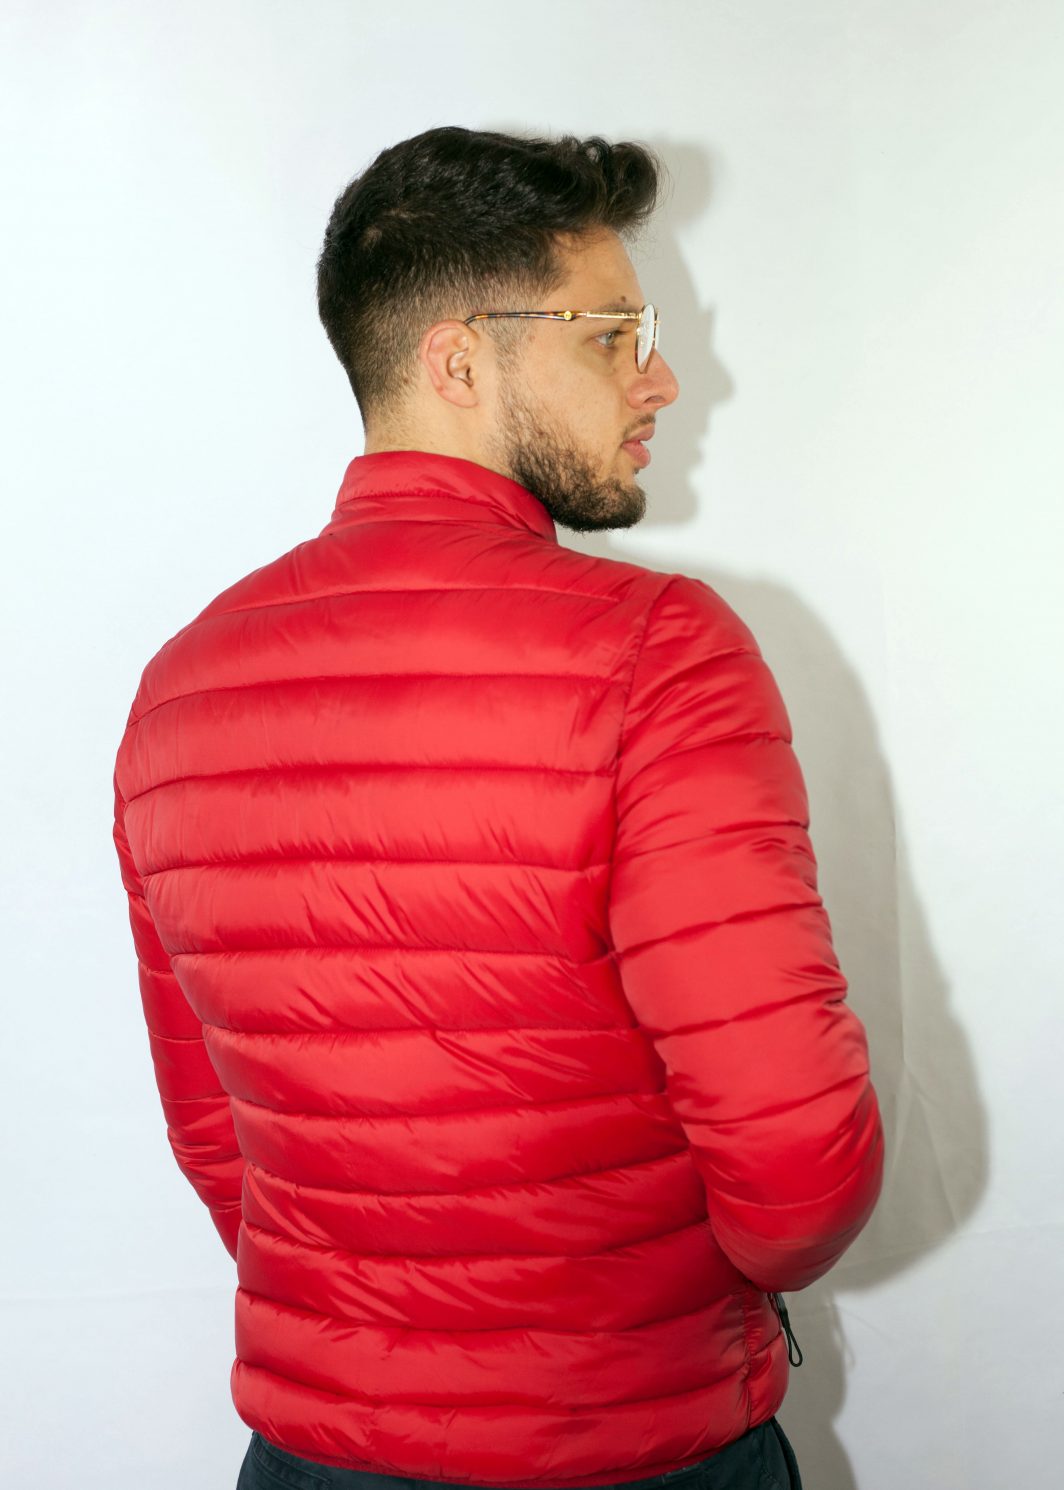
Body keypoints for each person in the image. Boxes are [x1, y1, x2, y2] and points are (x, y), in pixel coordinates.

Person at [111, 125, 884, 1490]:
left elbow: (216, 1145)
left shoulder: (179, 690)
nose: (662, 378)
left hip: (317, 1454)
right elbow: (799, 1174)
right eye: (612, 334)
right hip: (631, 1444)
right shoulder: (660, 654)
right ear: (459, 361)